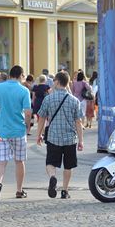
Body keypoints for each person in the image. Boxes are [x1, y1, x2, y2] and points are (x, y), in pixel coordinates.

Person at [36, 71, 84, 199]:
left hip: (53, 137)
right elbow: (78, 122)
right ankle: (65, 190)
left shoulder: (48, 98)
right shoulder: (74, 100)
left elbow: (42, 118)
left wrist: (38, 134)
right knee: (68, 165)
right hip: (70, 138)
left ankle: (53, 177)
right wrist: (81, 140)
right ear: (67, 83)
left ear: (56, 82)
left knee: (50, 163)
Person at [0, 65, 32, 200]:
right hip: (18, 131)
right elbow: (27, 112)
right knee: (19, 161)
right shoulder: (24, 90)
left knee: (1, 161)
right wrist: (27, 126)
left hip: (2, 130)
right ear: (20, 75)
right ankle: (19, 190)